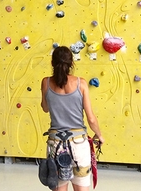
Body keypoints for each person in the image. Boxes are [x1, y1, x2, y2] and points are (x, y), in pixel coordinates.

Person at [40, 46, 104, 191]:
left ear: (52, 63)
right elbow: (91, 119)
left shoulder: (46, 83)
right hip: (79, 144)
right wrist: (99, 135)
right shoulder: (81, 83)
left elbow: (45, 108)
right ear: (71, 63)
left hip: (55, 144)